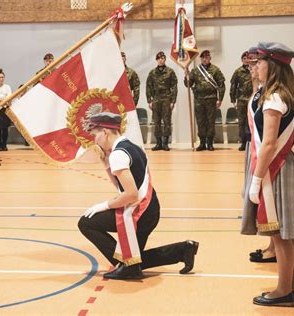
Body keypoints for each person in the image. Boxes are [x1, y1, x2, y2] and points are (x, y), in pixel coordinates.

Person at [78, 112, 199, 280]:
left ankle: (128, 266)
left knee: (86, 223)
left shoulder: (118, 154)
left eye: (95, 134)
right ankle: (182, 250)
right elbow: (122, 186)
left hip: (140, 213)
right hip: (150, 209)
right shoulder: (131, 147)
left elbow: (130, 195)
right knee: (136, 258)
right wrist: (106, 163)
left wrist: (104, 205)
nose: (94, 139)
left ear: (105, 131)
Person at [241, 42, 294, 306]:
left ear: (273, 65)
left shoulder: (274, 99)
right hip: (278, 166)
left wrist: (256, 180)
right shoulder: (274, 93)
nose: (254, 66)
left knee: (281, 235)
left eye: (260, 62)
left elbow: (268, 143)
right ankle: (293, 286)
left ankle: (283, 291)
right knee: (288, 235)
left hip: (274, 168)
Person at [242, 47, 277, 264]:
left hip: (263, 149)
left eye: (255, 64)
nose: (252, 68)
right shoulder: (259, 88)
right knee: (265, 201)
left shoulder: (271, 92)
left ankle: (275, 247)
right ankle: (272, 245)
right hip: (254, 144)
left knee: (269, 200)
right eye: (249, 65)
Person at [184, 50, 225, 151]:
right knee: (200, 121)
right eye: (203, 58)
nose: (204, 59)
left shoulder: (215, 70)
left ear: (210, 58)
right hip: (199, 100)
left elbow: (221, 86)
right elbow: (188, 85)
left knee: (210, 122)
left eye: (207, 57)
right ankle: (202, 143)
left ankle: (210, 143)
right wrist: (186, 76)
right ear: (201, 59)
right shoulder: (195, 70)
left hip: (211, 99)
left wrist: (220, 99)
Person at [146, 51, 178, 151]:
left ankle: (165, 143)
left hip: (166, 98)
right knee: (157, 122)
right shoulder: (152, 72)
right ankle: (158, 143)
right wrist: (149, 100)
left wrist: (173, 101)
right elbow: (148, 86)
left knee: (167, 121)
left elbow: (174, 87)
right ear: (156, 60)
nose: (161, 60)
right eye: (159, 58)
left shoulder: (170, 72)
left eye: (163, 58)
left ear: (165, 59)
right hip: (156, 99)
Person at [230, 51, 253, 151]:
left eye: (248, 58)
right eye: (244, 58)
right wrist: (233, 100)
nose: (246, 60)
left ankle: (252, 141)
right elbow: (233, 86)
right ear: (242, 60)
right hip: (242, 101)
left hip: (253, 100)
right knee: (242, 122)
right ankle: (243, 142)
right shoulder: (238, 71)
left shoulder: (254, 70)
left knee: (252, 121)